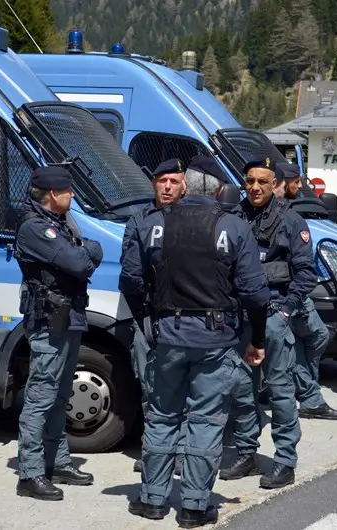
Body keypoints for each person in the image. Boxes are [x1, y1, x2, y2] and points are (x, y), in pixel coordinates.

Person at [120, 154, 271, 528]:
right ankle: (193, 506)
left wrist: (146, 320)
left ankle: (153, 500)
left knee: (162, 416)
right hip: (215, 339)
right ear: (219, 190)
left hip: (168, 335)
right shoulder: (233, 227)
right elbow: (255, 293)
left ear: (185, 185)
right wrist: (257, 338)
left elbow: (131, 281)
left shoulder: (153, 224)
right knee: (206, 420)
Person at [217, 158, 313, 488]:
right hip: (241, 319)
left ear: (275, 185)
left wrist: (286, 311)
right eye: (250, 181)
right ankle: (247, 453)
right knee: (241, 391)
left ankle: (285, 461)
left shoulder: (291, 221)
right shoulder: (233, 218)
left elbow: (305, 274)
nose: (255, 187)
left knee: (280, 393)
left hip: (273, 317)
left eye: (262, 182)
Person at [14, 166, 104, 501]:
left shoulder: (61, 222)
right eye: (68, 191)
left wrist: (82, 249)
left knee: (61, 395)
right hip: (48, 322)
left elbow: (93, 250)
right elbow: (81, 263)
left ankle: (58, 462)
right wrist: (82, 250)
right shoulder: (35, 227)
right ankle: (30, 473)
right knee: (41, 397)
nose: (73, 195)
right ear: (53, 194)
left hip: (69, 317)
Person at [124, 158, 186, 475]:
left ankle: (181, 452)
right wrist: (143, 315)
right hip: (150, 316)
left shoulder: (196, 219)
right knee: (151, 387)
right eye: (162, 181)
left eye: (174, 181)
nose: (167, 187)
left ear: (184, 186)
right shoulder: (139, 221)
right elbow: (130, 275)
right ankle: (154, 450)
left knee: (185, 387)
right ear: (154, 184)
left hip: (187, 318)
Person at [277, 162, 337, 421]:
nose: (300, 186)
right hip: (287, 293)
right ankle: (309, 397)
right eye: (297, 182)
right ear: (285, 182)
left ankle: (306, 390)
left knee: (315, 337)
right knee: (298, 344)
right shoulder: (277, 214)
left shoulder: (289, 212)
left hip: (296, 291)